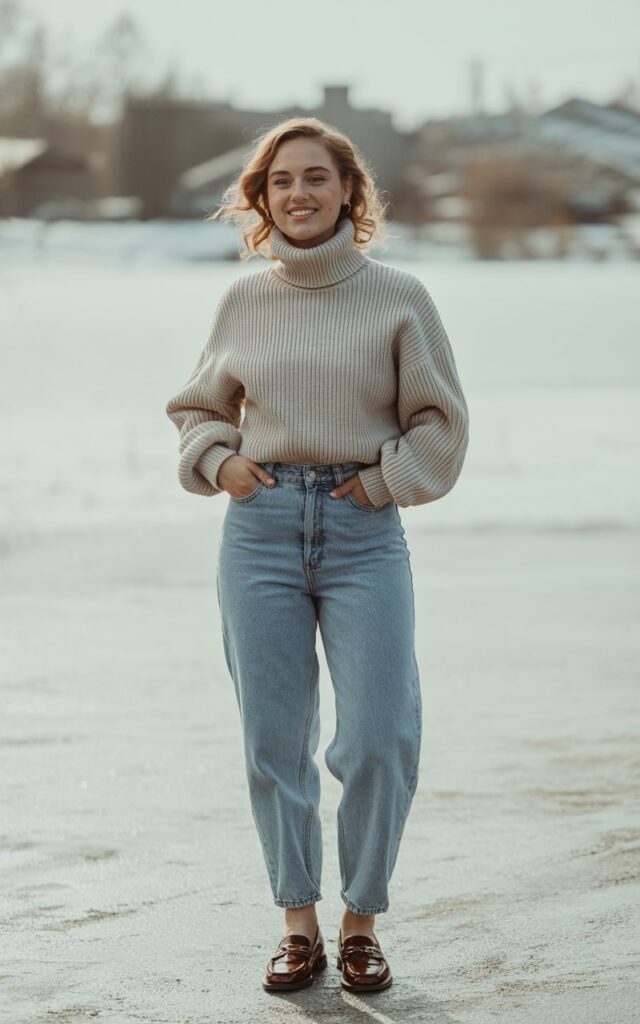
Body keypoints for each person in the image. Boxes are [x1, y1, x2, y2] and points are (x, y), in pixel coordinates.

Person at [165, 116, 469, 994]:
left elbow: (440, 425)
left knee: (379, 734)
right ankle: (297, 924)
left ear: (350, 192)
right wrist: (222, 464)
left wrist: (382, 485)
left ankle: (362, 920)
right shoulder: (243, 301)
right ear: (261, 199)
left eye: (316, 178)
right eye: (281, 182)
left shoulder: (401, 296)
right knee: (273, 738)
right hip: (258, 532)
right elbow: (198, 408)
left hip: (362, 531)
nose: (298, 193)